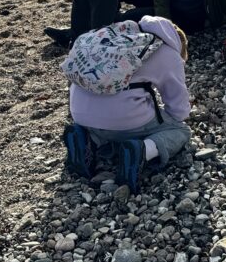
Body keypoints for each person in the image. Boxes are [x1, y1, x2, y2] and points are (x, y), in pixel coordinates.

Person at [63, 16, 190, 193]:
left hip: (80, 114)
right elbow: (179, 108)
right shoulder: (166, 51)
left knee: (104, 126)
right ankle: (142, 151)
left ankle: (86, 139)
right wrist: (167, 118)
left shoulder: (110, 35)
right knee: (180, 131)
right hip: (123, 118)